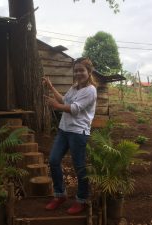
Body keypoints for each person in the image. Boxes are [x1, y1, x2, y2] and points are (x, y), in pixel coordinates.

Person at [42, 57, 97, 214]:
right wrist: (52, 88)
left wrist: (56, 106)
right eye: (76, 70)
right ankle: (60, 195)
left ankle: (81, 200)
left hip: (78, 133)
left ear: (89, 72)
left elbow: (74, 109)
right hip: (64, 130)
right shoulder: (75, 87)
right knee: (53, 160)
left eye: (82, 70)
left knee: (79, 167)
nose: (78, 73)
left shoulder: (91, 90)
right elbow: (64, 100)